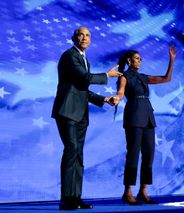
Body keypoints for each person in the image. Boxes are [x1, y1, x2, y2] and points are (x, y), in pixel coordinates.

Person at [51, 27, 122, 210]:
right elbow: (84, 78)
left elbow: (82, 89)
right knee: (71, 149)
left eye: (88, 35)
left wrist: (103, 99)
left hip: (81, 114)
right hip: (67, 111)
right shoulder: (70, 56)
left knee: (79, 155)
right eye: (80, 34)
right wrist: (107, 75)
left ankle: (75, 197)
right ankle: (66, 199)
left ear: (90, 40)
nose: (84, 37)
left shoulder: (84, 58)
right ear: (73, 37)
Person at [112, 45, 176, 205]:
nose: (140, 61)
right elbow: (120, 92)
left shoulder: (143, 77)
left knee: (149, 155)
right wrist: (116, 98)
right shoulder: (124, 76)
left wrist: (172, 60)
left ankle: (143, 191)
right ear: (129, 61)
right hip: (133, 116)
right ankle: (127, 192)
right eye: (137, 58)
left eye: (141, 59)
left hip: (148, 116)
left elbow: (166, 78)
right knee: (133, 154)